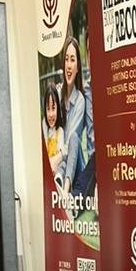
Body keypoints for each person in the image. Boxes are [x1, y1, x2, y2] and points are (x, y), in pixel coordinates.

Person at [59, 35, 96, 208]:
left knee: (74, 139)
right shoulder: (85, 91)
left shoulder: (80, 99)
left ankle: (70, 197)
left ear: (77, 65)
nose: (69, 65)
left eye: (72, 60)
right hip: (69, 164)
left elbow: (72, 143)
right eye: (66, 59)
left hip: (86, 163)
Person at [41, 85, 66, 188]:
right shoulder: (44, 127)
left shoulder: (60, 131)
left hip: (55, 169)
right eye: (48, 109)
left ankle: (58, 180)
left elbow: (61, 153)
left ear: (58, 108)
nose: (51, 114)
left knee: (63, 164)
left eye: (53, 108)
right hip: (47, 170)